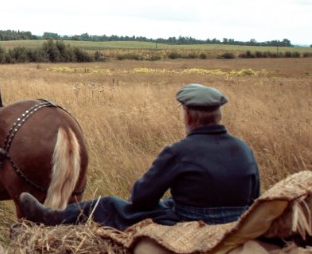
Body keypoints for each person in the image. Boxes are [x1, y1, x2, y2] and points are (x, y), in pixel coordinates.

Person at [19, 84, 261, 230]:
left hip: (188, 224)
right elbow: (253, 199)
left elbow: (141, 199)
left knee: (110, 204)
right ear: (218, 116)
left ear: (187, 116)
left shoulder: (179, 151)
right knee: (168, 203)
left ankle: (53, 217)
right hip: (233, 224)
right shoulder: (244, 150)